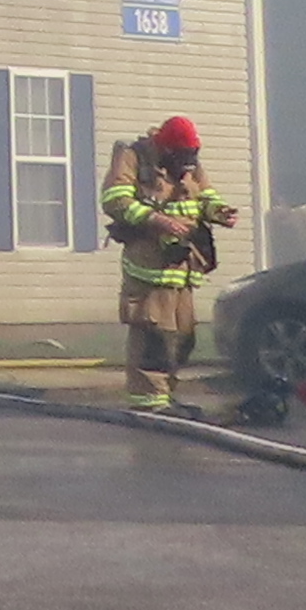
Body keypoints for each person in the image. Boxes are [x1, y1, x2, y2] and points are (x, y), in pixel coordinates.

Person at [97, 116, 240, 413]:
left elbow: (205, 194)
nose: (187, 164)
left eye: (192, 156)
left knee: (182, 337)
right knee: (153, 335)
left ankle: (164, 395)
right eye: (181, 156)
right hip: (149, 267)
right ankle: (148, 401)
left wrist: (219, 211)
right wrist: (157, 220)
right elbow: (115, 199)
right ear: (165, 148)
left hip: (182, 267)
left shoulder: (188, 162)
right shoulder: (133, 156)